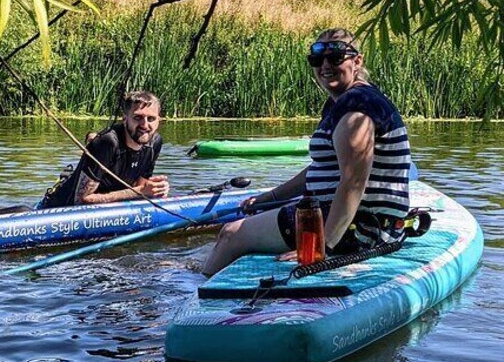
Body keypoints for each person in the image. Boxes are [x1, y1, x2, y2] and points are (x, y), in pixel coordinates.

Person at [202, 28, 412, 276]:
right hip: (360, 221)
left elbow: (354, 181)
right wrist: (269, 198)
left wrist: (324, 246)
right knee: (251, 229)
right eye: (317, 58)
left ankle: (195, 295)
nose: (325, 65)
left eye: (335, 57)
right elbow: (323, 168)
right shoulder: (344, 102)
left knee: (231, 234)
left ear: (357, 60)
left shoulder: (357, 106)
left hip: (362, 228)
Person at [39, 90, 170, 208]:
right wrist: (139, 192)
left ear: (159, 120)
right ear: (125, 119)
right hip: (60, 209)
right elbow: (82, 200)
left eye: (151, 119)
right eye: (138, 117)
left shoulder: (154, 143)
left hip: (111, 208)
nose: (145, 125)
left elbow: (140, 187)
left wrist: (156, 189)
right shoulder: (107, 142)